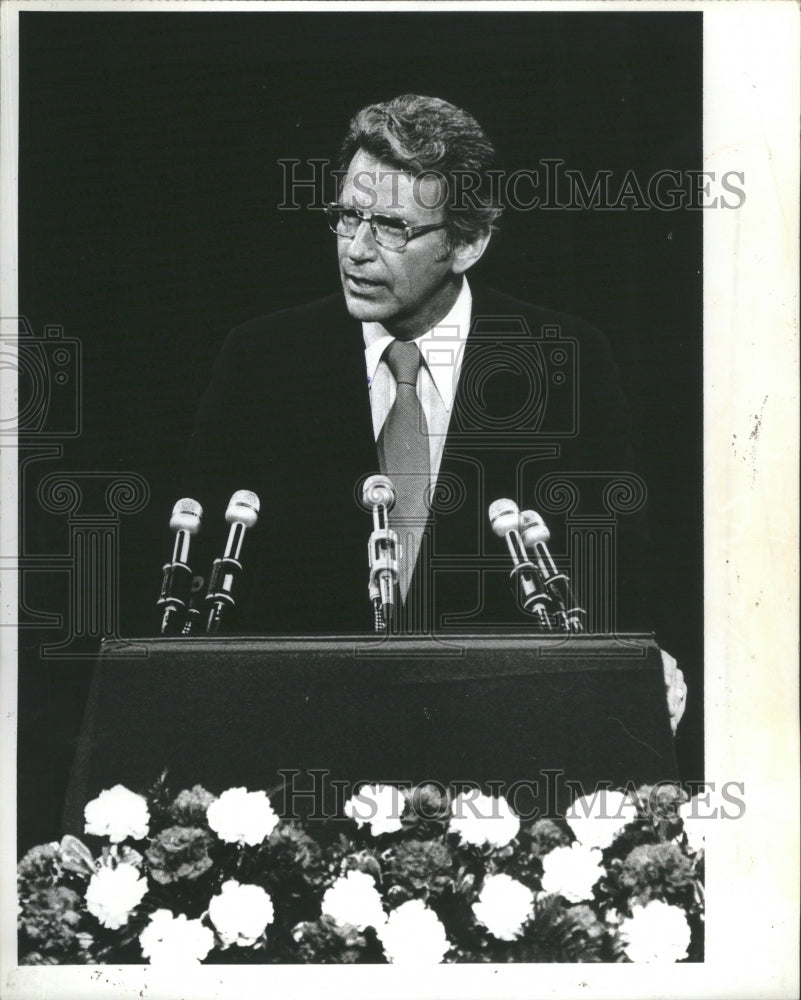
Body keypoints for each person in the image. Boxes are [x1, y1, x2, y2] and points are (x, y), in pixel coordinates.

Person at [181, 94, 686, 728]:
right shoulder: (262, 360)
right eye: (347, 216)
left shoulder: (566, 361)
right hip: (302, 742)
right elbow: (196, 583)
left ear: (467, 243)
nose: (356, 250)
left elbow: (617, 582)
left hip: (502, 747)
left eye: (391, 227)